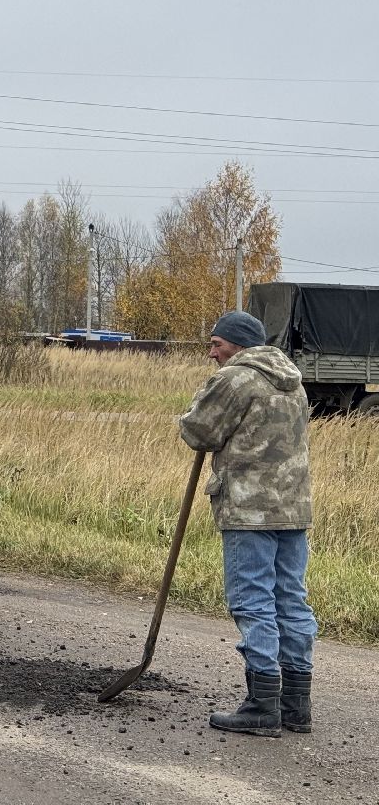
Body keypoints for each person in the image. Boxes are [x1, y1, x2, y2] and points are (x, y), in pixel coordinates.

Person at [179, 309, 317, 737]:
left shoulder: (236, 378)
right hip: (293, 509)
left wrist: (200, 412)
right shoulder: (293, 381)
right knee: (290, 601)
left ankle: (262, 704)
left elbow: (197, 431)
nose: (211, 352)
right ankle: (296, 704)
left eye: (216, 344)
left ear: (237, 343)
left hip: (249, 510)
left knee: (253, 601)